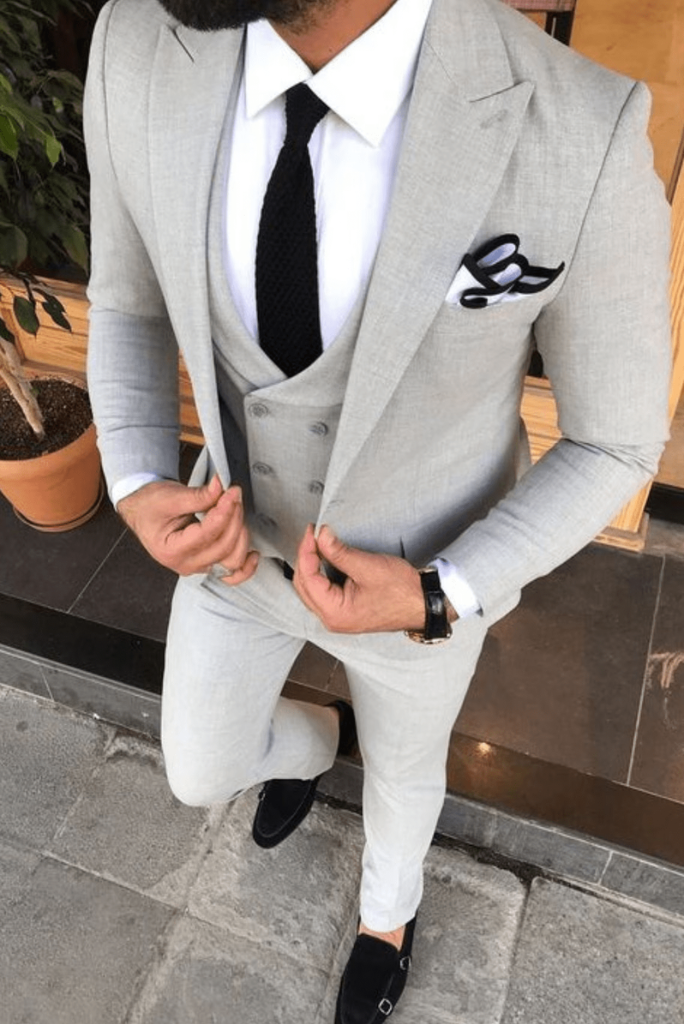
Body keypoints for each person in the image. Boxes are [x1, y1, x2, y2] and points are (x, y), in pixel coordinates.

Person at [84, 0, 671, 1019]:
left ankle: (387, 917)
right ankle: (318, 736)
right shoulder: (133, 39)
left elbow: (615, 439)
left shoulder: (581, 121)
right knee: (198, 770)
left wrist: (444, 591)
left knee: (407, 772)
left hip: (420, 582)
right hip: (235, 553)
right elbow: (128, 299)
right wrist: (135, 479)